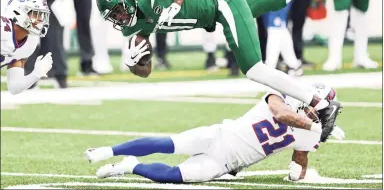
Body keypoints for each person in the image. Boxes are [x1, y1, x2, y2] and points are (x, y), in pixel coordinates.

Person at [96, 0, 376, 122]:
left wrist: (178, 2)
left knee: (254, 69)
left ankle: (318, 102)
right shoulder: (135, 27)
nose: (120, 19)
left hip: (221, 4)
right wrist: (135, 64)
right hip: (225, 1)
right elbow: (146, 70)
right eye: (115, 17)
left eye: (118, 12)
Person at [85, 83, 344, 183]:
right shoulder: (280, 97)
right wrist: (311, 126)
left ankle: (130, 166)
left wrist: (295, 174)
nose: (320, 116)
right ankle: (108, 151)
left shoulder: (313, 132)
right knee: (167, 143)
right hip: (220, 135)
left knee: (175, 176)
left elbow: (300, 162)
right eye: (319, 109)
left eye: (323, 112)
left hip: (225, 162)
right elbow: (281, 116)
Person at [1, 0, 69, 89]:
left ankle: (59, 74)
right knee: (21, 37)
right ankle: (27, 74)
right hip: (21, 4)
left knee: (52, 36)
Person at [1, 0, 53, 95]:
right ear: (18, 11)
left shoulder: (30, 42)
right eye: (35, 14)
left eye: (42, 15)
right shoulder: (2, 29)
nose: (40, 20)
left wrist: (36, 74)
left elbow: (14, 87)